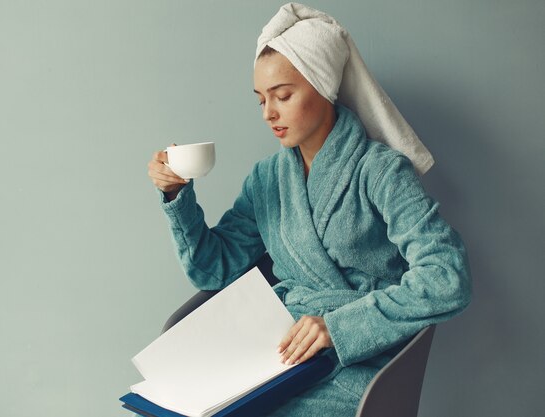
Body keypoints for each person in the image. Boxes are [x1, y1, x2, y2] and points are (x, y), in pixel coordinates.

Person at [146, 3, 471, 416]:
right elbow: (214, 268)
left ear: (323, 86)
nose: (269, 113)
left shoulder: (381, 171)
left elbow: (447, 276)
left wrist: (339, 327)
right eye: (261, 99)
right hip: (274, 353)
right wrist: (178, 197)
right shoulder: (267, 179)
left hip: (361, 356)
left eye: (283, 95)